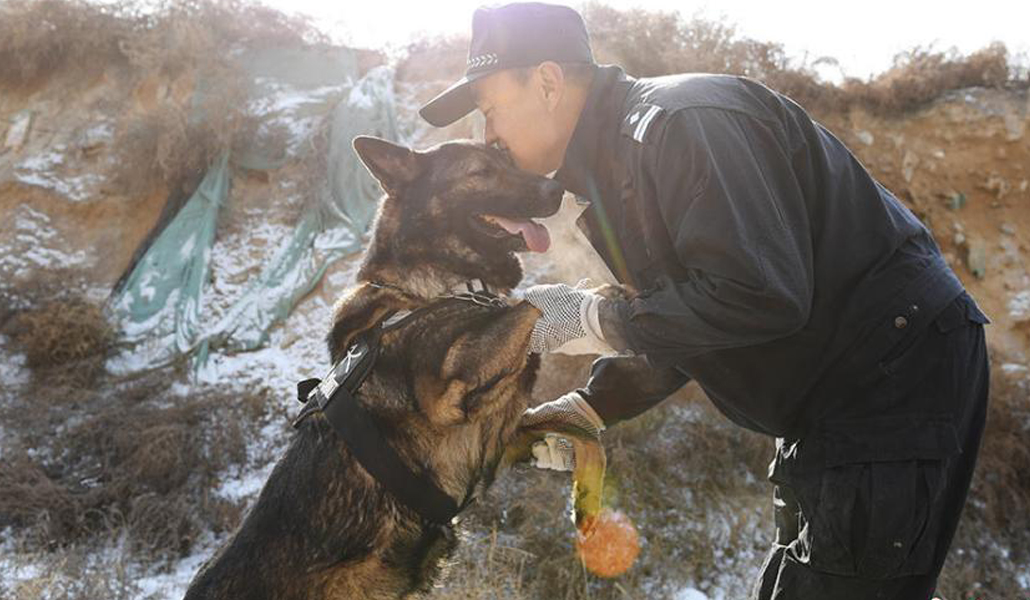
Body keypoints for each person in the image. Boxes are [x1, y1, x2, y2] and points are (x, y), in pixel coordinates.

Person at [419, 3, 990, 599]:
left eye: (488, 110)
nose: (487, 136)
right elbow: (696, 317)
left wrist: (594, 319)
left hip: (887, 377)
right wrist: (594, 405)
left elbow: (758, 293)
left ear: (546, 83)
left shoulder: (681, 126)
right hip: (838, 395)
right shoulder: (620, 163)